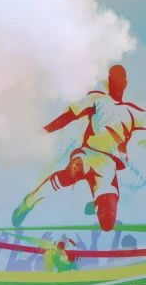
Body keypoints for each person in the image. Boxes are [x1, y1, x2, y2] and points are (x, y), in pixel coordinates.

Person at [12, 64, 146, 232]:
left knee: (107, 224)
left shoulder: (133, 112)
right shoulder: (97, 99)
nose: (116, 84)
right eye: (113, 79)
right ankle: (29, 201)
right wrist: (44, 131)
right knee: (72, 172)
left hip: (107, 166)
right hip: (88, 154)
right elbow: (69, 116)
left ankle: (98, 204)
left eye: (119, 80)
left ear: (125, 83)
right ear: (109, 81)